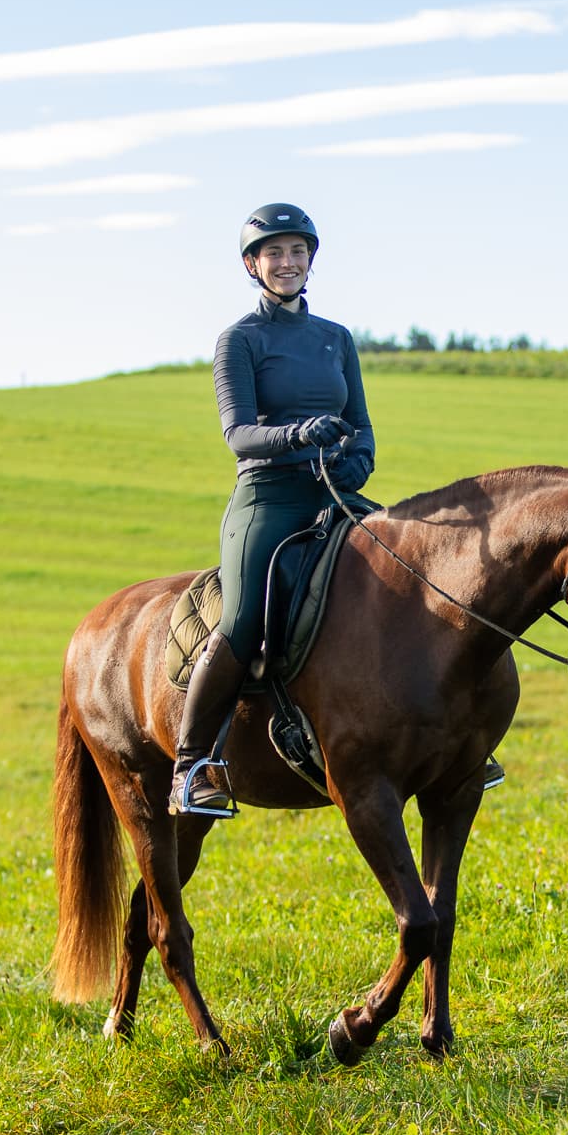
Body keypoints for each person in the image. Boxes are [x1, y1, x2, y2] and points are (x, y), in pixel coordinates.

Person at [169, 202, 375, 814]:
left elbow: (360, 425)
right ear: (252, 266)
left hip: (331, 493)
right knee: (241, 623)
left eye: (298, 252)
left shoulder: (336, 339)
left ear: (311, 260)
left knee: (410, 577)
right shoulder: (240, 340)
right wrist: (298, 436)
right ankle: (192, 765)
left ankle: (451, 735)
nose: (288, 263)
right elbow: (238, 434)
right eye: (274, 253)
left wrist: (355, 461)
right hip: (267, 499)